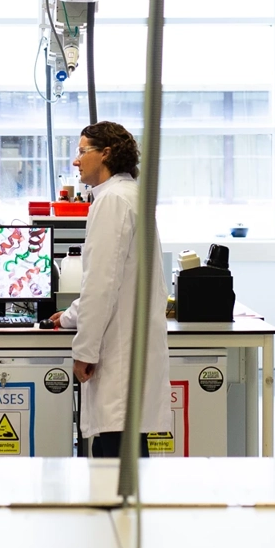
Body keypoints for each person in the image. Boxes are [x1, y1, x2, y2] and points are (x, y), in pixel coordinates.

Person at [51, 122, 172, 458]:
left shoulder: (113, 201)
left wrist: (84, 351)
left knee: (114, 463)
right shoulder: (129, 195)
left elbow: (101, 284)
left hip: (117, 358)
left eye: (81, 151)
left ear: (105, 153)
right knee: (128, 456)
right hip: (130, 348)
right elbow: (111, 279)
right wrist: (72, 317)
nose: (76, 161)